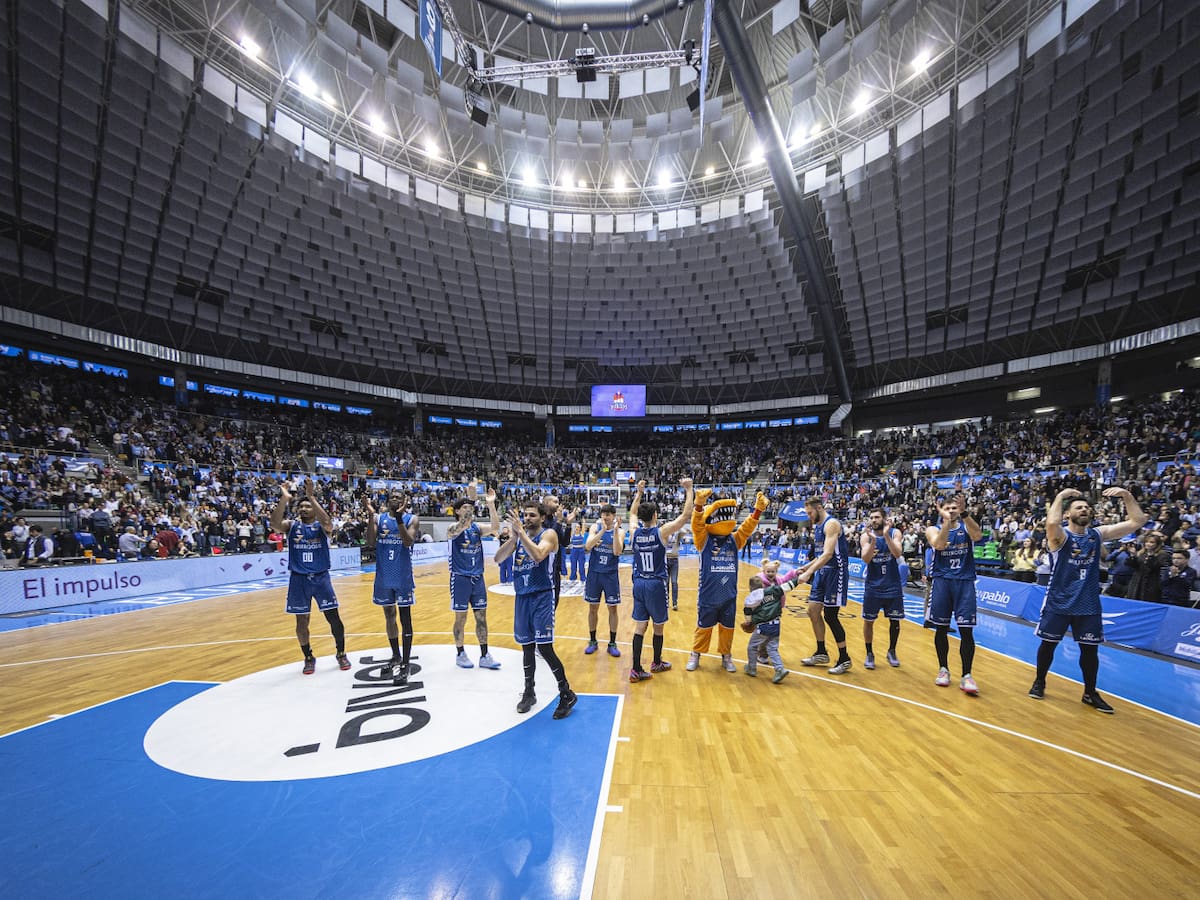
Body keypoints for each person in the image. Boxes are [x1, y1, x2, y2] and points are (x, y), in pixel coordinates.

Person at [1030, 487, 1147, 712]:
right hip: (1059, 600)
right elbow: (1052, 523)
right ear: (1067, 514)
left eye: (1086, 507)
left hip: (1088, 603)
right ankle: (1039, 681)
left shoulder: (1097, 534)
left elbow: (1137, 521)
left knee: (1090, 651)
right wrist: (1060, 497)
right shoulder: (1060, 537)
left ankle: (1090, 693)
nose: (1084, 509)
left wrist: (1126, 496)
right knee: (1048, 644)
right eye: (1079, 507)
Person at [494, 501, 577, 718]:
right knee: (527, 647)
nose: (527, 518)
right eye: (525, 515)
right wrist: (514, 538)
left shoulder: (549, 534)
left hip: (542, 595)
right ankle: (529, 692)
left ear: (542, 517)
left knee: (545, 648)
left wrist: (521, 534)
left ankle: (566, 693)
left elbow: (539, 555)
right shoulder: (520, 538)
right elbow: (498, 558)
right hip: (522, 597)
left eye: (532, 515)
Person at [271, 478, 349, 675]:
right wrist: (284, 498)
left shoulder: (322, 528)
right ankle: (308, 657)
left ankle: (341, 653)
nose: (304, 509)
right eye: (302, 506)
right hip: (298, 579)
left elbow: (328, 522)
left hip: (321, 578)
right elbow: (274, 524)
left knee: (334, 618)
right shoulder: (292, 526)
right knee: (301, 621)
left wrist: (312, 496)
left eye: (308, 506)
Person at [687, 488, 768, 672]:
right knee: (703, 628)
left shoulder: (734, 539)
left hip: (728, 597)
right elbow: (697, 525)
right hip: (708, 595)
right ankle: (695, 654)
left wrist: (758, 511)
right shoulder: (704, 539)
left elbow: (747, 528)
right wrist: (698, 505)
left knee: (727, 629)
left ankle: (726, 656)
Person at [627, 478, 694, 682]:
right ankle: (656, 662)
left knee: (640, 627)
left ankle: (635, 669)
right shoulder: (661, 532)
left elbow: (631, 514)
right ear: (655, 515)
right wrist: (689, 489)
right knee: (658, 626)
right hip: (656, 584)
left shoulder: (634, 533)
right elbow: (685, 516)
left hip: (639, 583)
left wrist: (639, 492)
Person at [924, 492, 983, 694]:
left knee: (966, 630)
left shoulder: (966, 526)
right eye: (947, 509)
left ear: (960, 510)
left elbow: (978, 536)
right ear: (941, 511)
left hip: (964, 582)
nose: (951, 511)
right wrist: (947, 523)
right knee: (941, 628)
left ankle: (967, 675)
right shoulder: (933, 529)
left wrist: (965, 514)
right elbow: (939, 545)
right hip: (942, 581)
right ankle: (943, 669)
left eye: (954, 508)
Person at [365, 492, 420, 685]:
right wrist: (370, 515)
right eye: (393, 497)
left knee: (405, 618)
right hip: (384, 576)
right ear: (388, 501)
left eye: (399, 497)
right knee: (389, 615)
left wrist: (398, 519)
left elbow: (408, 542)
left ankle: (406, 662)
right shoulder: (379, 518)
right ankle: (396, 655)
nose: (395, 499)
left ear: (405, 501)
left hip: (402, 577)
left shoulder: (412, 519)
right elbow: (370, 542)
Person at [794, 497, 853, 675]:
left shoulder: (831, 524)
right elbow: (820, 555)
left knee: (830, 615)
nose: (809, 516)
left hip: (836, 572)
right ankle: (821, 653)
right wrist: (806, 567)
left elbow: (828, 554)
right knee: (813, 611)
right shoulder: (818, 526)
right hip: (822, 573)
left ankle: (844, 658)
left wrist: (809, 573)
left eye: (810, 513)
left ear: (819, 508)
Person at [446, 482, 501, 669]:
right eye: (464, 507)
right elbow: (463, 524)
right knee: (461, 618)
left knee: (481, 618)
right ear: (457, 511)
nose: (468, 510)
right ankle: (460, 653)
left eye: (469, 507)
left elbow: (495, 527)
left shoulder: (477, 528)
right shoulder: (453, 528)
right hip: (460, 578)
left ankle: (484, 655)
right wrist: (471, 500)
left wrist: (491, 504)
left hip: (478, 578)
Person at [860, 508, 904, 670]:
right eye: (871, 517)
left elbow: (897, 553)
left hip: (892, 584)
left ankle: (892, 651)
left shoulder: (895, 533)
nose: (874, 520)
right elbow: (865, 559)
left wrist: (885, 535)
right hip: (873, 585)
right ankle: (869, 653)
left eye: (877, 517)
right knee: (868, 621)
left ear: (884, 519)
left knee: (895, 621)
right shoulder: (866, 536)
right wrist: (873, 542)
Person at [741, 569, 803, 683]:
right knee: (772, 648)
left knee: (752, 646)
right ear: (762, 585)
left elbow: (748, 618)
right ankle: (780, 669)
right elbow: (788, 585)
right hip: (776, 625)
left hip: (762, 627)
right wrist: (798, 579)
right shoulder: (773, 590)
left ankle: (751, 668)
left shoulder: (750, 599)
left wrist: (749, 623)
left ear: (750, 587)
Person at [583, 503, 624, 658]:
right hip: (594, 574)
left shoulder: (620, 531)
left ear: (613, 516)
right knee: (592, 608)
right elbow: (588, 546)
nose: (605, 517)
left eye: (608, 514)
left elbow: (617, 551)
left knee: (612, 609)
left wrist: (614, 531)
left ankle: (612, 643)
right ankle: (592, 641)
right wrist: (601, 532)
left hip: (610, 575)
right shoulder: (595, 528)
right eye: (603, 514)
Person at [1126, 531, 1169, 603]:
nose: (1148, 544)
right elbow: (1132, 566)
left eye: (1152, 542)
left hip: (1151, 582)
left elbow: (1154, 567)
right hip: (1137, 581)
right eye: (1146, 542)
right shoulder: (1141, 553)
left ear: (1157, 544)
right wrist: (1133, 555)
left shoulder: (1162, 554)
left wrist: (1151, 556)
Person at [665, 525, 684, 611]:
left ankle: (675, 603)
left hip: (674, 560)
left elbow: (684, 531)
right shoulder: (665, 534)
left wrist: (677, 528)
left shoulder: (677, 535)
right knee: (666, 582)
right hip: (665, 560)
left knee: (674, 582)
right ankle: (666, 601)